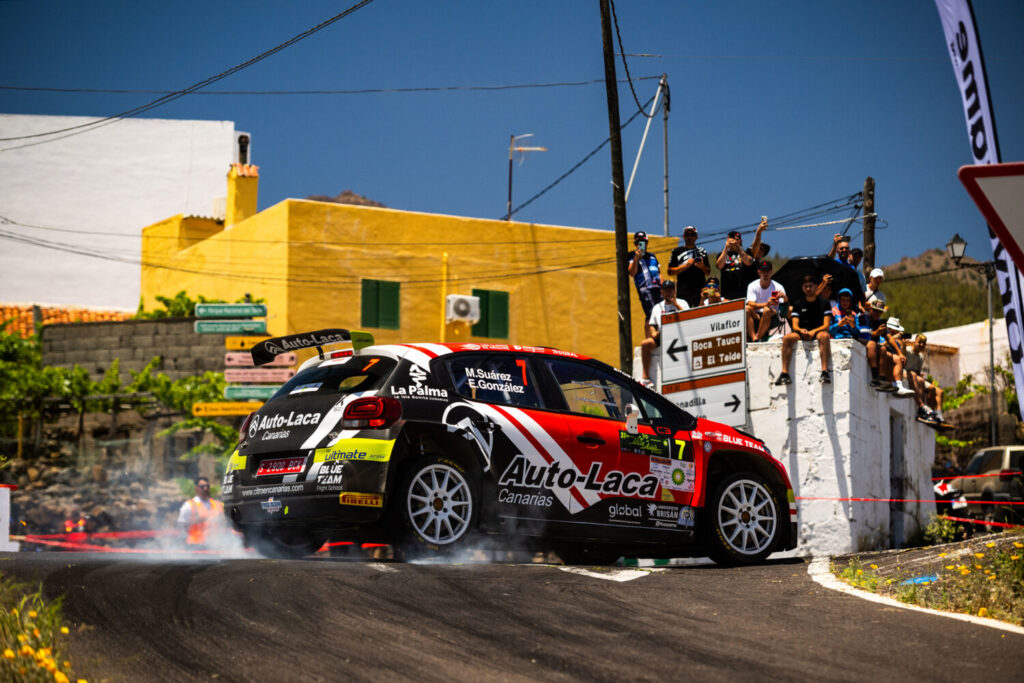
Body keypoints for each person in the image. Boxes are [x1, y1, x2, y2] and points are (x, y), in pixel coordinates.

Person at [776, 275, 833, 385]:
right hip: (802, 332)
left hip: (818, 332)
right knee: (788, 338)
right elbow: (795, 326)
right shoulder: (797, 304)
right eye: (806, 286)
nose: (808, 288)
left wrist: (813, 332)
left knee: (825, 336)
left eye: (810, 286)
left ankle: (825, 372)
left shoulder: (824, 303)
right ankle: (784, 373)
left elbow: (826, 325)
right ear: (802, 288)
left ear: (816, 287)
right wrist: (801, 330)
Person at [640, 280, 688, 387]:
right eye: (666, 290)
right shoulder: (657, 307)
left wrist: (676, 305)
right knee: (645, 344)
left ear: (674, 291)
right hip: (662, 336)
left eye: (671, 290)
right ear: (662, 292)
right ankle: (645, 378)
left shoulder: (683, 303)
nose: (669, 293)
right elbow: (652, 324)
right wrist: (653, 333)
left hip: (679, 336)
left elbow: (688, 318)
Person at [904, 334, 948, 424]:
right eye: (919, 342)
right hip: (907, 374)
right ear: (914, 342)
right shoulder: (907, 351)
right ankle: (922, 408)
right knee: (918, 379)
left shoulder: (921, 357)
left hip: (916, 376)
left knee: (938, 391)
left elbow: (918, 371)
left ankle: (938, 414)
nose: (921, 345)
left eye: (923, 343)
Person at [668, 225, 711, 308]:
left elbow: (708, 272)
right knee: (684, 314)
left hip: (700, 289)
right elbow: (670, 271)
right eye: (687, 235)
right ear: (684, 236)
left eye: (692, 235)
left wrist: (702, 266)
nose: (690, 237)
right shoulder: (676, 251)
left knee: (701, 314)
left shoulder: (702, 251)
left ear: (696, 237)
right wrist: (685, 266)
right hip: (683, 290)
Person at [745, 260, 787, 343]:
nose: (765, 273)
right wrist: (766, 304)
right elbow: (750, 303)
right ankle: (754, 337)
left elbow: (784, 308)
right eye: (763, 271)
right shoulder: (752, 285)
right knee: (746, 309)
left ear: (771, 272)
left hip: (772, 316)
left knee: (767, 310)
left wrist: (785, 298)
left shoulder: (778, 287)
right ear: (759, 272)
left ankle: (757, 338)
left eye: (767, 271)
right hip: (756, 315)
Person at [178, 476, 225, 548]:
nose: (205, 488)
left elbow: (224, 523)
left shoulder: (217, 504)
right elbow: (181, 527)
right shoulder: (189, 505)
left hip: (214, 545)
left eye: (207, 486)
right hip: (195, 546)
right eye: (202, 486)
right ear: (196, 488)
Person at [626, 230, 663, 319]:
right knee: (652, 315)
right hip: (645, 289)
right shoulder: (631, 255)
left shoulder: (652, 256)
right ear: (635, 243)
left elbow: (659, 272)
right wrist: (636, 258)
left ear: (647, 242)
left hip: (658, 289)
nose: (641, 244)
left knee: (663, 313)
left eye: (643, 241)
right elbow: (632, 273)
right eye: (638, 242)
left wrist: (663, 286)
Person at [879, 317, 915, 396]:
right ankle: (896, 385)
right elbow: (880, 346)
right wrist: (892, 339)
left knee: (899, 359)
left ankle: (898, 386)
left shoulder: (897, 343)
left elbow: (903, 358)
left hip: (893, 363)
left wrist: (904, 345)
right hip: (884, 360)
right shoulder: (881, 336)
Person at [716, 230, 754, 300]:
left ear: (741, 241)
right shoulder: (721, 254)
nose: (734, 242)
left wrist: (738, 247)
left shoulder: (746, 253)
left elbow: (748, 262)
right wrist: (726, 247)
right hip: (726, 294)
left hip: (743, 293)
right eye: (731, 239)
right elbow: (719, 266)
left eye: (736, 239)